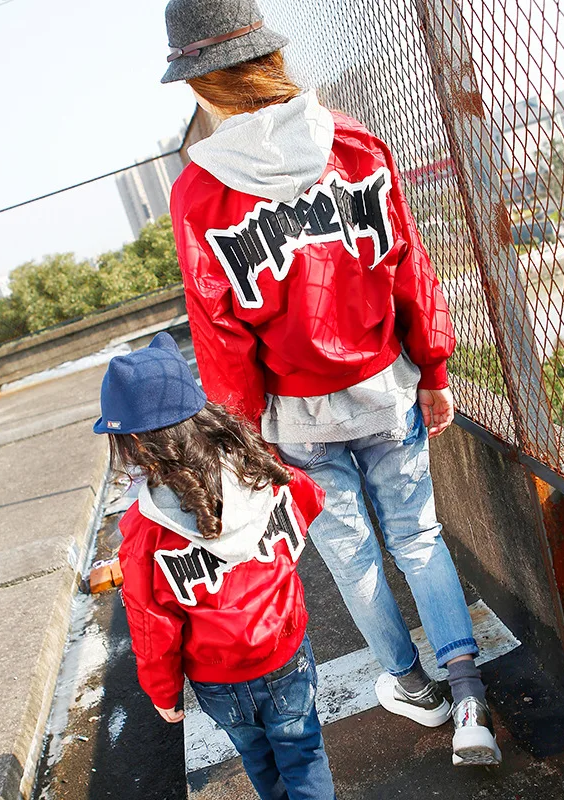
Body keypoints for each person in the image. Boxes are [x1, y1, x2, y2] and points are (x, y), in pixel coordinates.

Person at [161, 0, 502, 767]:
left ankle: (412, 686)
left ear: (202, 83)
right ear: (271, 56)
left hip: (295, 416)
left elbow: (220, 331)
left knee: (352, 556)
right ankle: (470, 692)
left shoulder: (202, 192)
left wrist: (242, 436)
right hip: (386, 384)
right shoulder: (354, 143)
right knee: (418, 535)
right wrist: (435, 369)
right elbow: (408, 263)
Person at [93, 331, 337, 800]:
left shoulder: (145, 531)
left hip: (219, 679)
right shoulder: (255, 469)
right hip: (284, 647)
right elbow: (308, 498)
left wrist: (163, 691)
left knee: (259, 760)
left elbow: (150, 623)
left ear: (134, 446)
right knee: (303, 753)